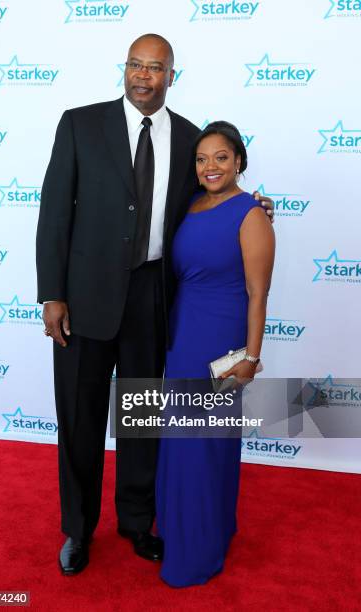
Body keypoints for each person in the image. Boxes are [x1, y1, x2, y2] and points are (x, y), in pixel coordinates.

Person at [36, 34, 274, 576]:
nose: (144, 76)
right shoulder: (79, 123)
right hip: (85, 298)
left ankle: (137, 522)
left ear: (172, 75)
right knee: (79, 418)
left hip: (154, 298)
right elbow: (53, 213)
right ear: (125, 69)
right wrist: (52, 293)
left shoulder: (190, 137)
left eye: (156, 68)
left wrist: (254, 202)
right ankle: (77, 530)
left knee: (141, 417)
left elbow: (213, 195)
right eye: (136, 66)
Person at [156, 121, 275, 587]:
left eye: (221, 157)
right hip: (183, 333)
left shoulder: (251, 214)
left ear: (239, 160)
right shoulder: (189, 205)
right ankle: (190, 530)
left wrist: (250, 356)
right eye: (203, 158)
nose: (211, 166)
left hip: (221, 339)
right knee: (183, 441)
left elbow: (258, 292)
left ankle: (198, 551)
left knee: (204, 443)